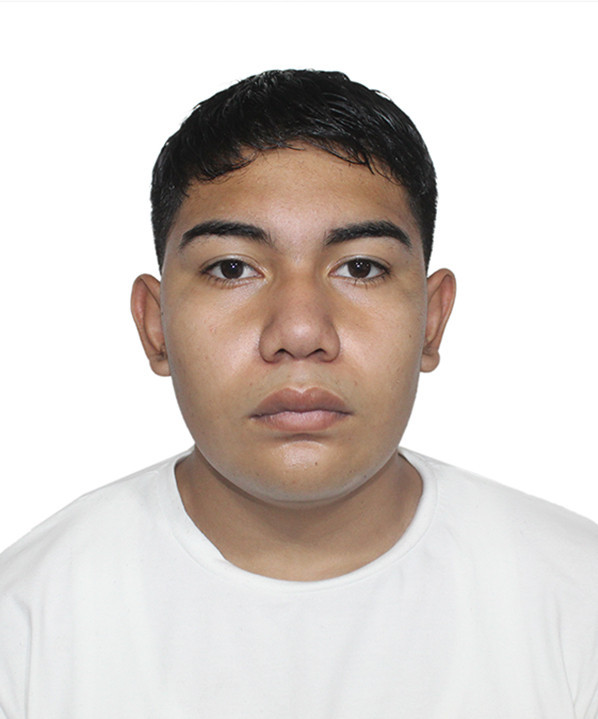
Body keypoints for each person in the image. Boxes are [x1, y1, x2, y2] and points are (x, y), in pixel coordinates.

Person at [1, 69, 596, 719]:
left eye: (361, 267)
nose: (301, 332)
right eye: (232, 267)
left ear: (432, 319)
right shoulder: (26, 625)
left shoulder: (577, 600)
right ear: (155, 325)